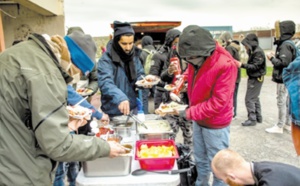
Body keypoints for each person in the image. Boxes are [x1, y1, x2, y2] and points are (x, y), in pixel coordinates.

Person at [0, 32, 126, 186]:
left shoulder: (30, 53)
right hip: (16, 168)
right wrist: (104, 148)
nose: (73, 78)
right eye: (76, 72)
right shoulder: (47, 73)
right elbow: (57, 145)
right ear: (72, 60)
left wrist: (62, 120)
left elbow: (23, 111)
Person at [176, 25, 238, 186]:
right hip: (199, 119)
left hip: (216, 124)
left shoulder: (226, 65)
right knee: (201, 161)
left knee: (219, 168)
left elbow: (218, 102)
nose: (189, 61)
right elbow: (193, 72)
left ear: (204, 52)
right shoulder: (196, 58)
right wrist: (183, 81)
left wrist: (189, 113)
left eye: (191, 58)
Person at [51, 31, 109, 186]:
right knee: (57, 170)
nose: (77, 74)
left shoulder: (55, 69)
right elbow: (70, 95)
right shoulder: (50, 72)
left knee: (66, 165)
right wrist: (96, 113)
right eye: (78, 70)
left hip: (62, 128)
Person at [97, 21, 145, 117]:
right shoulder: (106, 59)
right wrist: (120, 98)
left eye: (130, 43)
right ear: (116, 42)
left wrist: (144, 81)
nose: (128, 48)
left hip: (132, 108)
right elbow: (105, 82)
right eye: (124, 44)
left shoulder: (134, 56)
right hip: (113, 110)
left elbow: (139, 74)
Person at [265, 20, 296, 134]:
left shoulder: (285, 45)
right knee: (287, 101)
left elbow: (284, 63)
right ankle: (287, 123)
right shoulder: (289, 43)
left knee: (281, 101)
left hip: (284, 79)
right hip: (290, 78)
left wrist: (271, 58)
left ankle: (280, 125)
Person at [211, 148, 300, 186]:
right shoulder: (256, 169)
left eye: (223, 179)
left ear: (231, 177)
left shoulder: (270, 181)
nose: (225, 183)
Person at [148, 29, 181, 109]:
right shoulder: (158, 55)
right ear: (169, 41)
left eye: (179, 43)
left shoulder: (180, 54)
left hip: (176, 92)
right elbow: (153, 74)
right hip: (162, 92)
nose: (177, 45)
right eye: (175, 42)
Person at [240, 33, 266, 126]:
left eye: (246, 45)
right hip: (255, 77)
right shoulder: (254, 51)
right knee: (255, 98)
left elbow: (255, 66)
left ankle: (252, 119)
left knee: (249, 98)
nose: (245, 47)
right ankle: (258, 117)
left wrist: (242, 65)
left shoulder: (257, 52)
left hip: (255, 78)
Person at [219, 32, 241, 119]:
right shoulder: (233, 47)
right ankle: (233, 112)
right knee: (233, 94)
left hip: (232, 76)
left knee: (231, 95)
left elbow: (227, 60)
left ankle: (232, 112)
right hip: (236, 75)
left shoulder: (229, 48)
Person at [139, 35, 156, 113]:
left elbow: (139, 67)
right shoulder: (157, 52)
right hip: (156, 78)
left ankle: (145, 115)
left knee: (144, 98)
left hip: (145, 78)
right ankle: (158, 114)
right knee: (156, 96)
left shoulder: (141, 53)